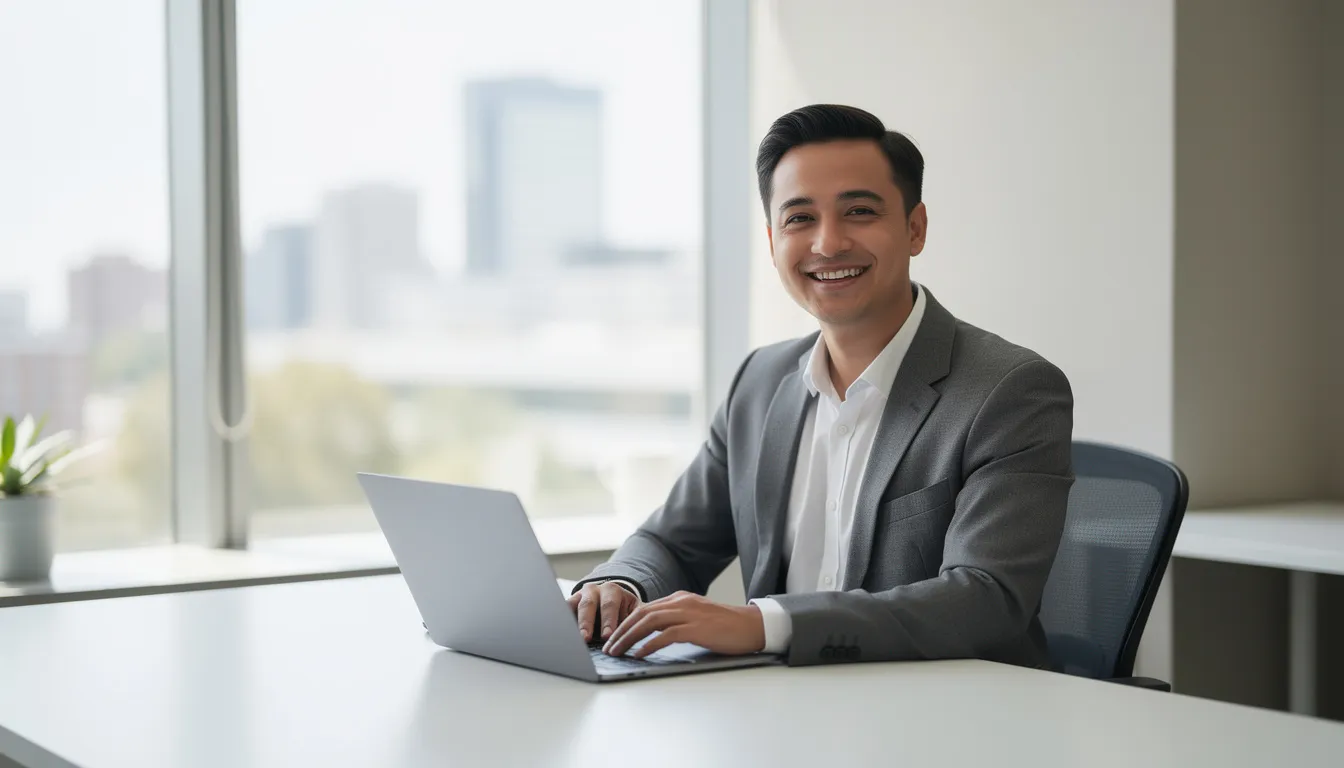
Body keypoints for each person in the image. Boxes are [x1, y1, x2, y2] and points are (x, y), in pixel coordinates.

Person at [568, 104, 1074, 669]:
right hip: (786, 714)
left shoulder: (1009, 391)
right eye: (799, 219)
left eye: (859, 211)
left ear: (915, 228)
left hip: (948, 719)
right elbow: (671, 542)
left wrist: (764, 624)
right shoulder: (757, 385)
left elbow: (986, 599)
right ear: (772, 241)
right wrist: (618, 585)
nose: (828, 244)